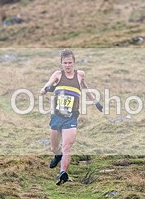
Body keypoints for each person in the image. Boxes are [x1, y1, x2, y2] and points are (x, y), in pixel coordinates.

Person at [39, 49, 104, 185]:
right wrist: (48, 88)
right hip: (57, 116)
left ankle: (63, 173)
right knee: (55, 148)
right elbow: (42, 91)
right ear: (61, 64)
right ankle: (57, 156)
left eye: (70, 63)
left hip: (71, 117)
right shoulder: (57, 75)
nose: (67, 65)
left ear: (74, 63)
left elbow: (85, 89)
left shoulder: (80, 75)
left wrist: (95, 102)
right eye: (65, 63)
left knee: (67, 147)